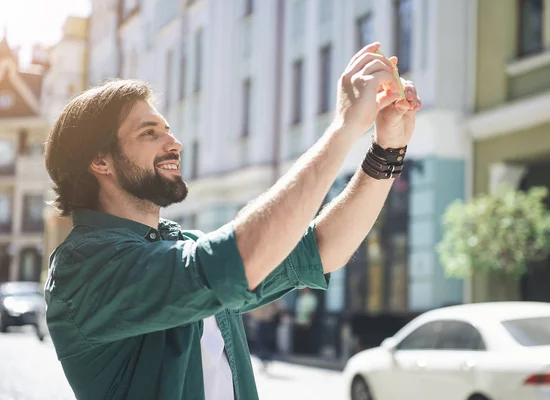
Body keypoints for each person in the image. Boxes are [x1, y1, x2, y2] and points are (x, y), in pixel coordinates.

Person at [43, 42, 421, 400]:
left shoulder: (179, 244)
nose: (173, 143)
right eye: (149, 133)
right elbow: (230, 262)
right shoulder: (84, 266)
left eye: (168, 130)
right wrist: (343, 127)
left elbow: (321, 249)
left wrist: (387, 149)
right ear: (100, 161)